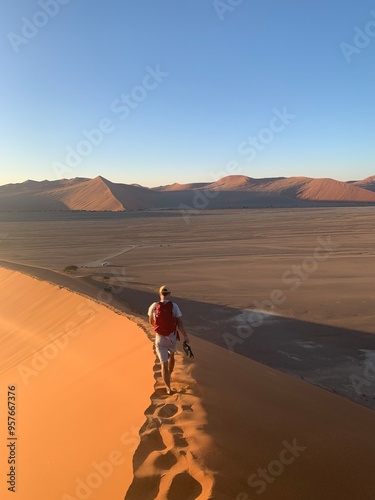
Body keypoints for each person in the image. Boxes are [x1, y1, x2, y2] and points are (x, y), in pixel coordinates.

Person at [148, 285, 189, 395]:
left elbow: (151, 321)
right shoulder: (174, 306)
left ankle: (168, 387)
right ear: (169, 294)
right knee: (172, 355)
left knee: (163, 365)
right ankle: (169, 373)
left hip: (160, 338)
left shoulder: (153, 306)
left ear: (159, 294)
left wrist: (158, 329)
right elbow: (179, 323)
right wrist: (185, 335)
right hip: (172, 338)